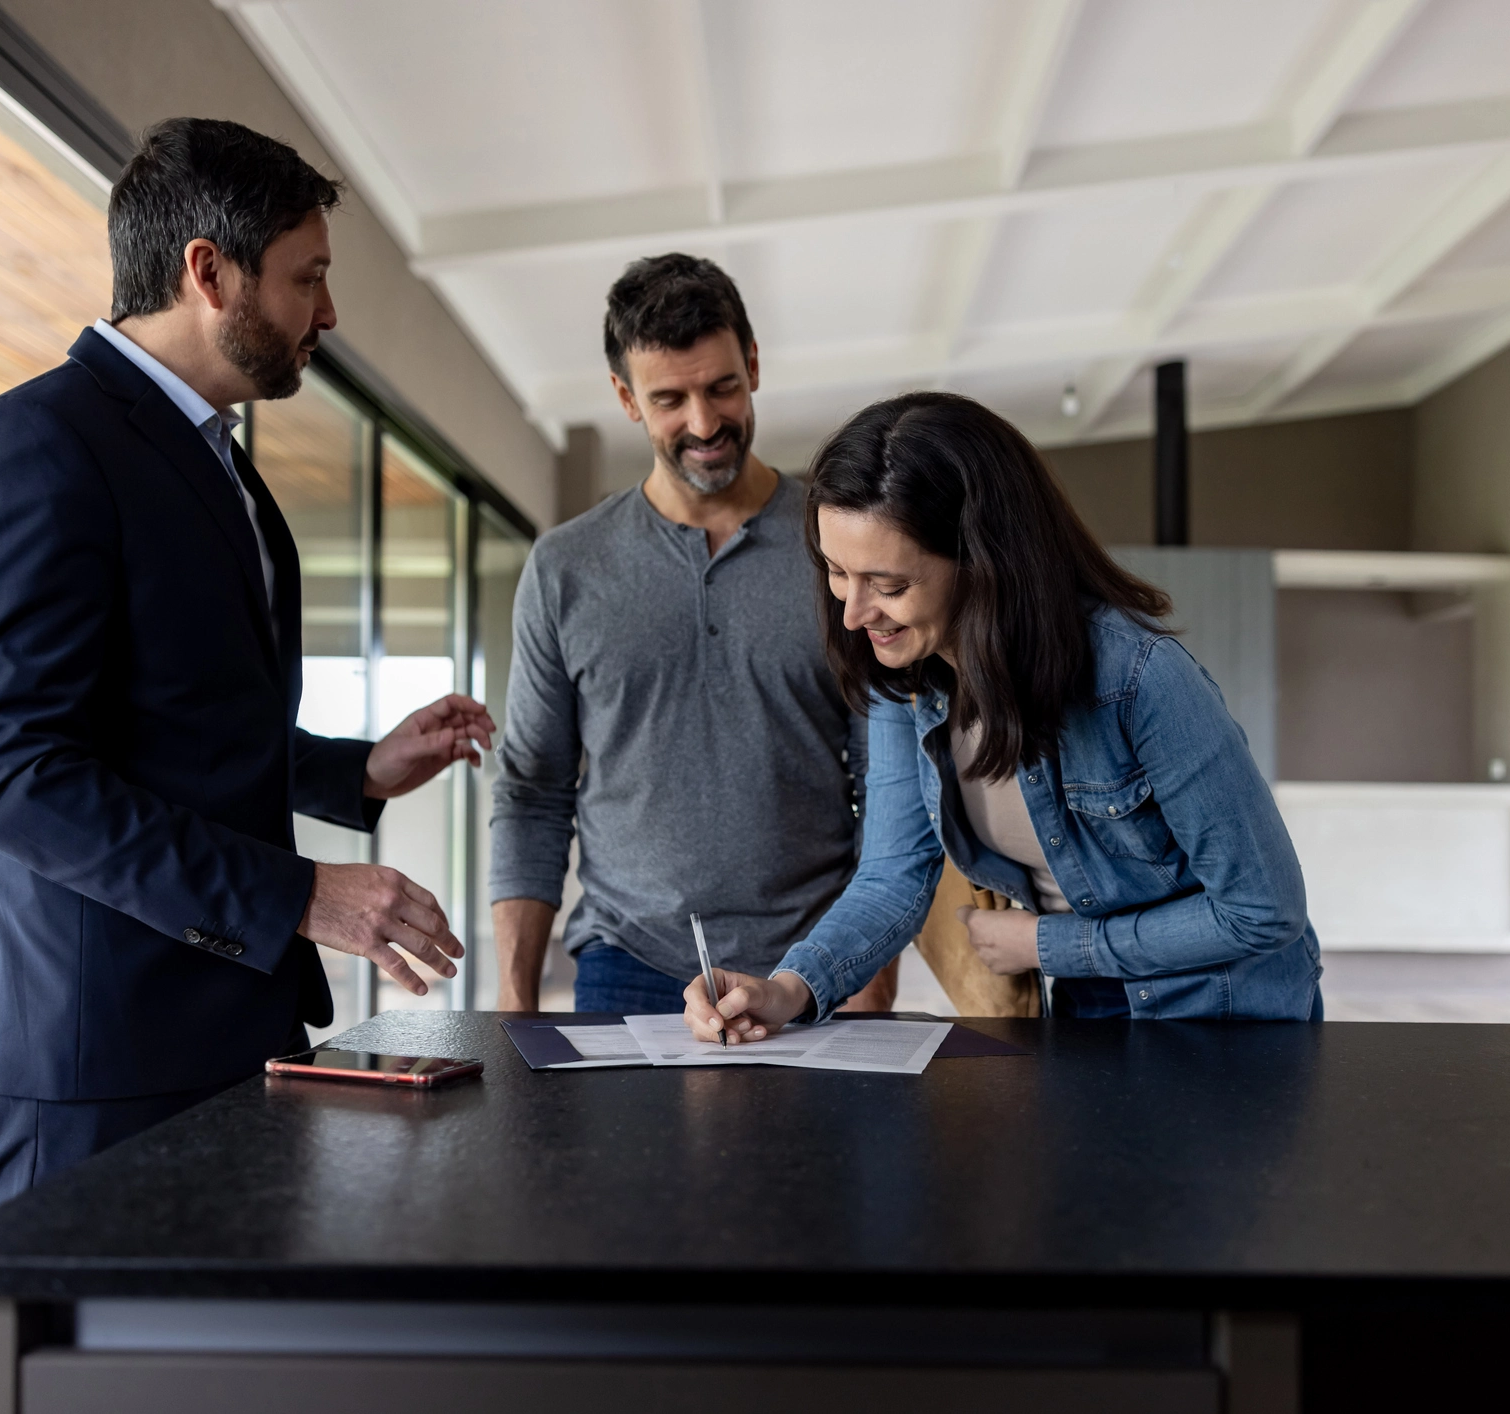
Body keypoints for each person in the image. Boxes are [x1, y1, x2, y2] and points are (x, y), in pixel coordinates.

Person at [0, 118, 493, 1215]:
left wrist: (356, 772)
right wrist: (298, 896)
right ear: (207, 270)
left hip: (231, 1031)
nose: (326, 313)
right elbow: (6, 777)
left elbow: (171, 726)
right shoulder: (33, 446)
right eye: (307, 278)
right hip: (97, 1062)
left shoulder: (215, 457)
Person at [686, 392, 1322, 1041]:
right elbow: (892, 875)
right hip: (1085, 1012)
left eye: (890, 585)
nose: (853, 613)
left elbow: (1263, 911)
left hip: (1226, 1018)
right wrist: (789, 988)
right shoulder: (904, 679)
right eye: (836, 573)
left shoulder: (1139, 679)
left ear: (983, 561)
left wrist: (1048, 946)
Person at [489, 253, 892, 1014]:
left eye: (722, 388)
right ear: (625, 398)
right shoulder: (566, 567)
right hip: (626, 960)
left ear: (755, 366)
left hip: (815, 960)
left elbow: (885, 779)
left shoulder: (838, 546)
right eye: (670, 398)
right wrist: (515, 1006)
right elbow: (534, 790)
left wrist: (867, 972)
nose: (704, 424)